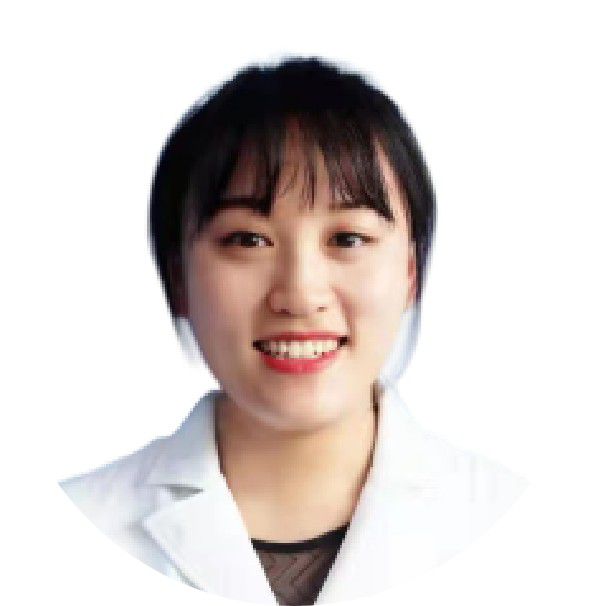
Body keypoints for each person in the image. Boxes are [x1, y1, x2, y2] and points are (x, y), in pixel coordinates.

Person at [59, 57, 526, 605]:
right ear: (178, 277)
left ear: (409, 273)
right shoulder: (65, 533)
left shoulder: (514, 525)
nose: (301, 295)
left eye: (347, 239)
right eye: (247, 240)